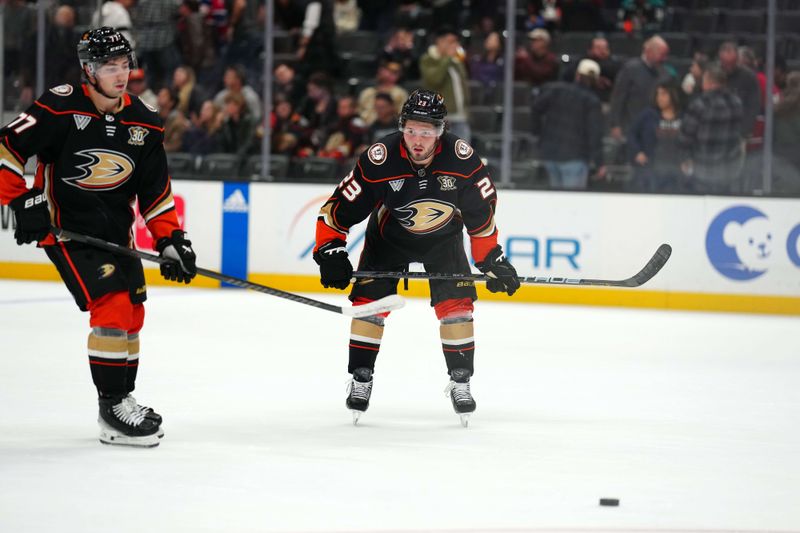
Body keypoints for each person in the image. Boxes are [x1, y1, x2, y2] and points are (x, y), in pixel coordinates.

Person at [0, 27, 198, 448]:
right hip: (69, 233)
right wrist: (21, 202)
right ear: (89, 69)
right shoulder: (58, 105)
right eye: (110, 66)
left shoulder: (144, 120)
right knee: (110, 304)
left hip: (117, 235)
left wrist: (170, 240)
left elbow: (156, 194)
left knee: (133, 314)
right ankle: (112, 407)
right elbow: (6, 148)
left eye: (125, 64)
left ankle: (122, 399)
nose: (121, 74)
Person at [312, 89, 520, 425]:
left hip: (444, 238)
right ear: (401, 127)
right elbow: (336, 211)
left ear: (441, 131)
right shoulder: (380, 158)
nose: (417, 140)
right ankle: (361, 376)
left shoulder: (464, 161)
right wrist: (330, 251)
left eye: (426, 132)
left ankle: (460, 381)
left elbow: (481, 220)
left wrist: (491, 261)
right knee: (370, 304)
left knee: (457, 308)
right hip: (389, 236)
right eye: (411, 130)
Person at [531, 59, 605, 190]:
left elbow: (536, 108)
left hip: (551, 153)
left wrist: (538, 134)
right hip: (575, 156)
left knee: (555, 198)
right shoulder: (592, 101)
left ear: (577, 75)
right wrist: (599, 163)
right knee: (572, 200)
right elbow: (594, 132)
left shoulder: (557, 91)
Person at [679, 64, 744, 194]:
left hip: (703, 167)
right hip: (729, 167)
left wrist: (684, 157)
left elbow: (686, 135)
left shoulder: (700, 104)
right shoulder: (737, 103)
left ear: (708, 82)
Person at [627, 80, 684, 193]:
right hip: (652, 170)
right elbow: (632, 134)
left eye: (664, 94)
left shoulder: (684, 116)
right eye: (658, 94)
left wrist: (688, 159)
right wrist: (638, 152)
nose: (659, 97)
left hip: (676, 171)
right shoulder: (648, 115)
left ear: (673, 95)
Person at [609, 35, 670, 141]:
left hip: (654, 130)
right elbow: (618, 98)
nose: (665, 59)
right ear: (649, 51)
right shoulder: (630, 69)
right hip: (631, 127)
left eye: (666, 55)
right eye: (662, 55)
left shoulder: (665, 73)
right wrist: (615, 124)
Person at [420, 27, 471, 141]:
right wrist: (447, 58)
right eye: (450, 42)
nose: (454, 45)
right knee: (443, 153)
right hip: (441, 117)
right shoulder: (428, 59)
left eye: (455, 42)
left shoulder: (456, 61)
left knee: (463, 153)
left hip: (460, 115)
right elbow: (434, 79)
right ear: (440, 42)